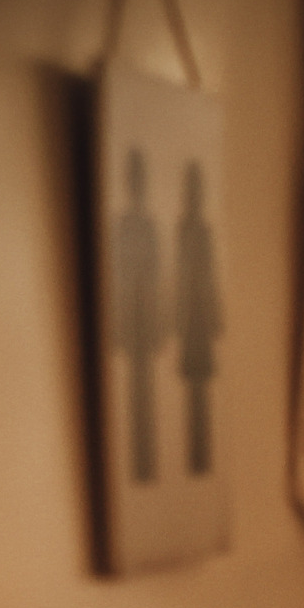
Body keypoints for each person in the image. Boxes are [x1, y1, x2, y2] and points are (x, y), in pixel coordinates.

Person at [113, 145, 165, 482]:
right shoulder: (124, 227)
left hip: (145, 323)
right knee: (133, 395)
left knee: (146, 394)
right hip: (131, 323)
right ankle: (139, 463)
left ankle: (146, 462)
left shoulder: (148, 227)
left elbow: (156, 276)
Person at [173, 161, 222, 477]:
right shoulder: (183, 233)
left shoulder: (205, 232)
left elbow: (211, 279)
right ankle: (194, 458)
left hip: (202, 323)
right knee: (192, 390)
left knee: (202, 391)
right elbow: (179, 278)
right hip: (190, 323)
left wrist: (215, 321)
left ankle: (201, 460)